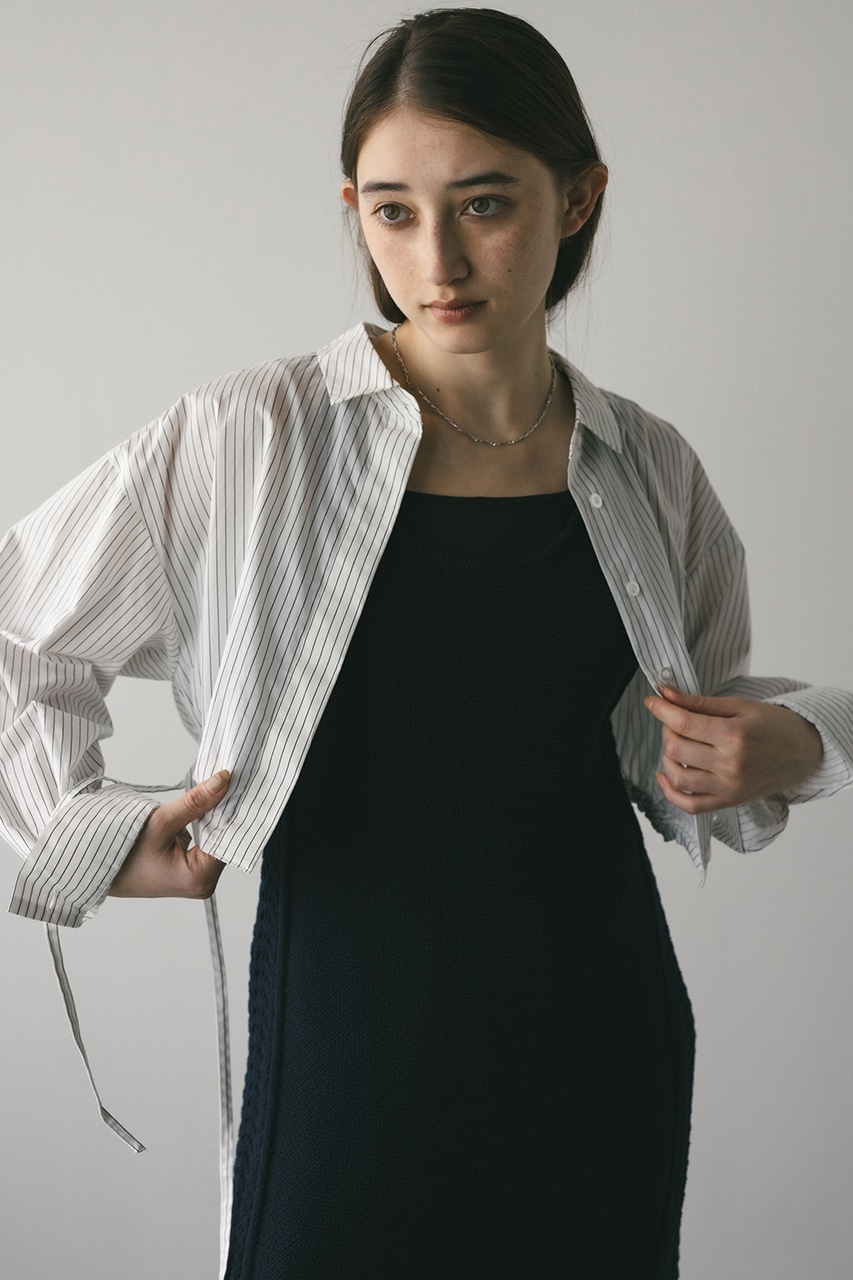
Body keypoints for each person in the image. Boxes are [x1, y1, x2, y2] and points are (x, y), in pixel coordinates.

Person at [1, 8, 851, 1278]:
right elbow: (18, 632)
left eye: (484, 203)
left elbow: (714, 729)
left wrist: (798, 742)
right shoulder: (253, 436)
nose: (436, 259)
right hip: (344, 1061)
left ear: (578, 198)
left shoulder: (649, 465)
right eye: (393, 211)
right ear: (355, 209)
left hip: (600, 1050)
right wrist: (94, 836)